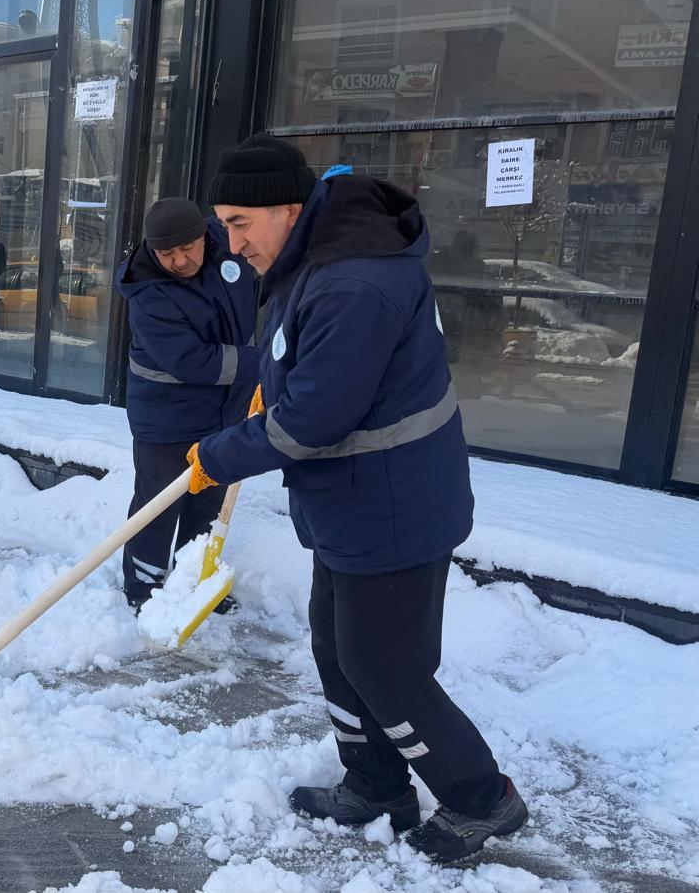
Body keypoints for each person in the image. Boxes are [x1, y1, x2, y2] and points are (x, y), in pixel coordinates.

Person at [188, 135, 526, 864]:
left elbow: (315, 418)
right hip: (350, 502)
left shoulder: (354, 282)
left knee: (385, 668)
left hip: (393, 508)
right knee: (338, 653)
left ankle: (482, 799)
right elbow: (305, 369)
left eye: (240, 222)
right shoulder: (312, 258)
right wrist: (271, 391)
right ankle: (376, 786)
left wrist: (219, 454)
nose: (231, 243)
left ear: (288, 208)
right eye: (224, 224)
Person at [113, 197, 257, 613]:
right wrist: (265, 362)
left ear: (203, 236)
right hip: (166, 418)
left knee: (208, 501)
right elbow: (196, 361)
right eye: (166, 254)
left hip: (225, 409)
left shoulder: (227, 241)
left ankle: (193, 578)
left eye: (186, 248)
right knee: (159, 504)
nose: (178, 261)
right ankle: (144, 587)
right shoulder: (148, 294)